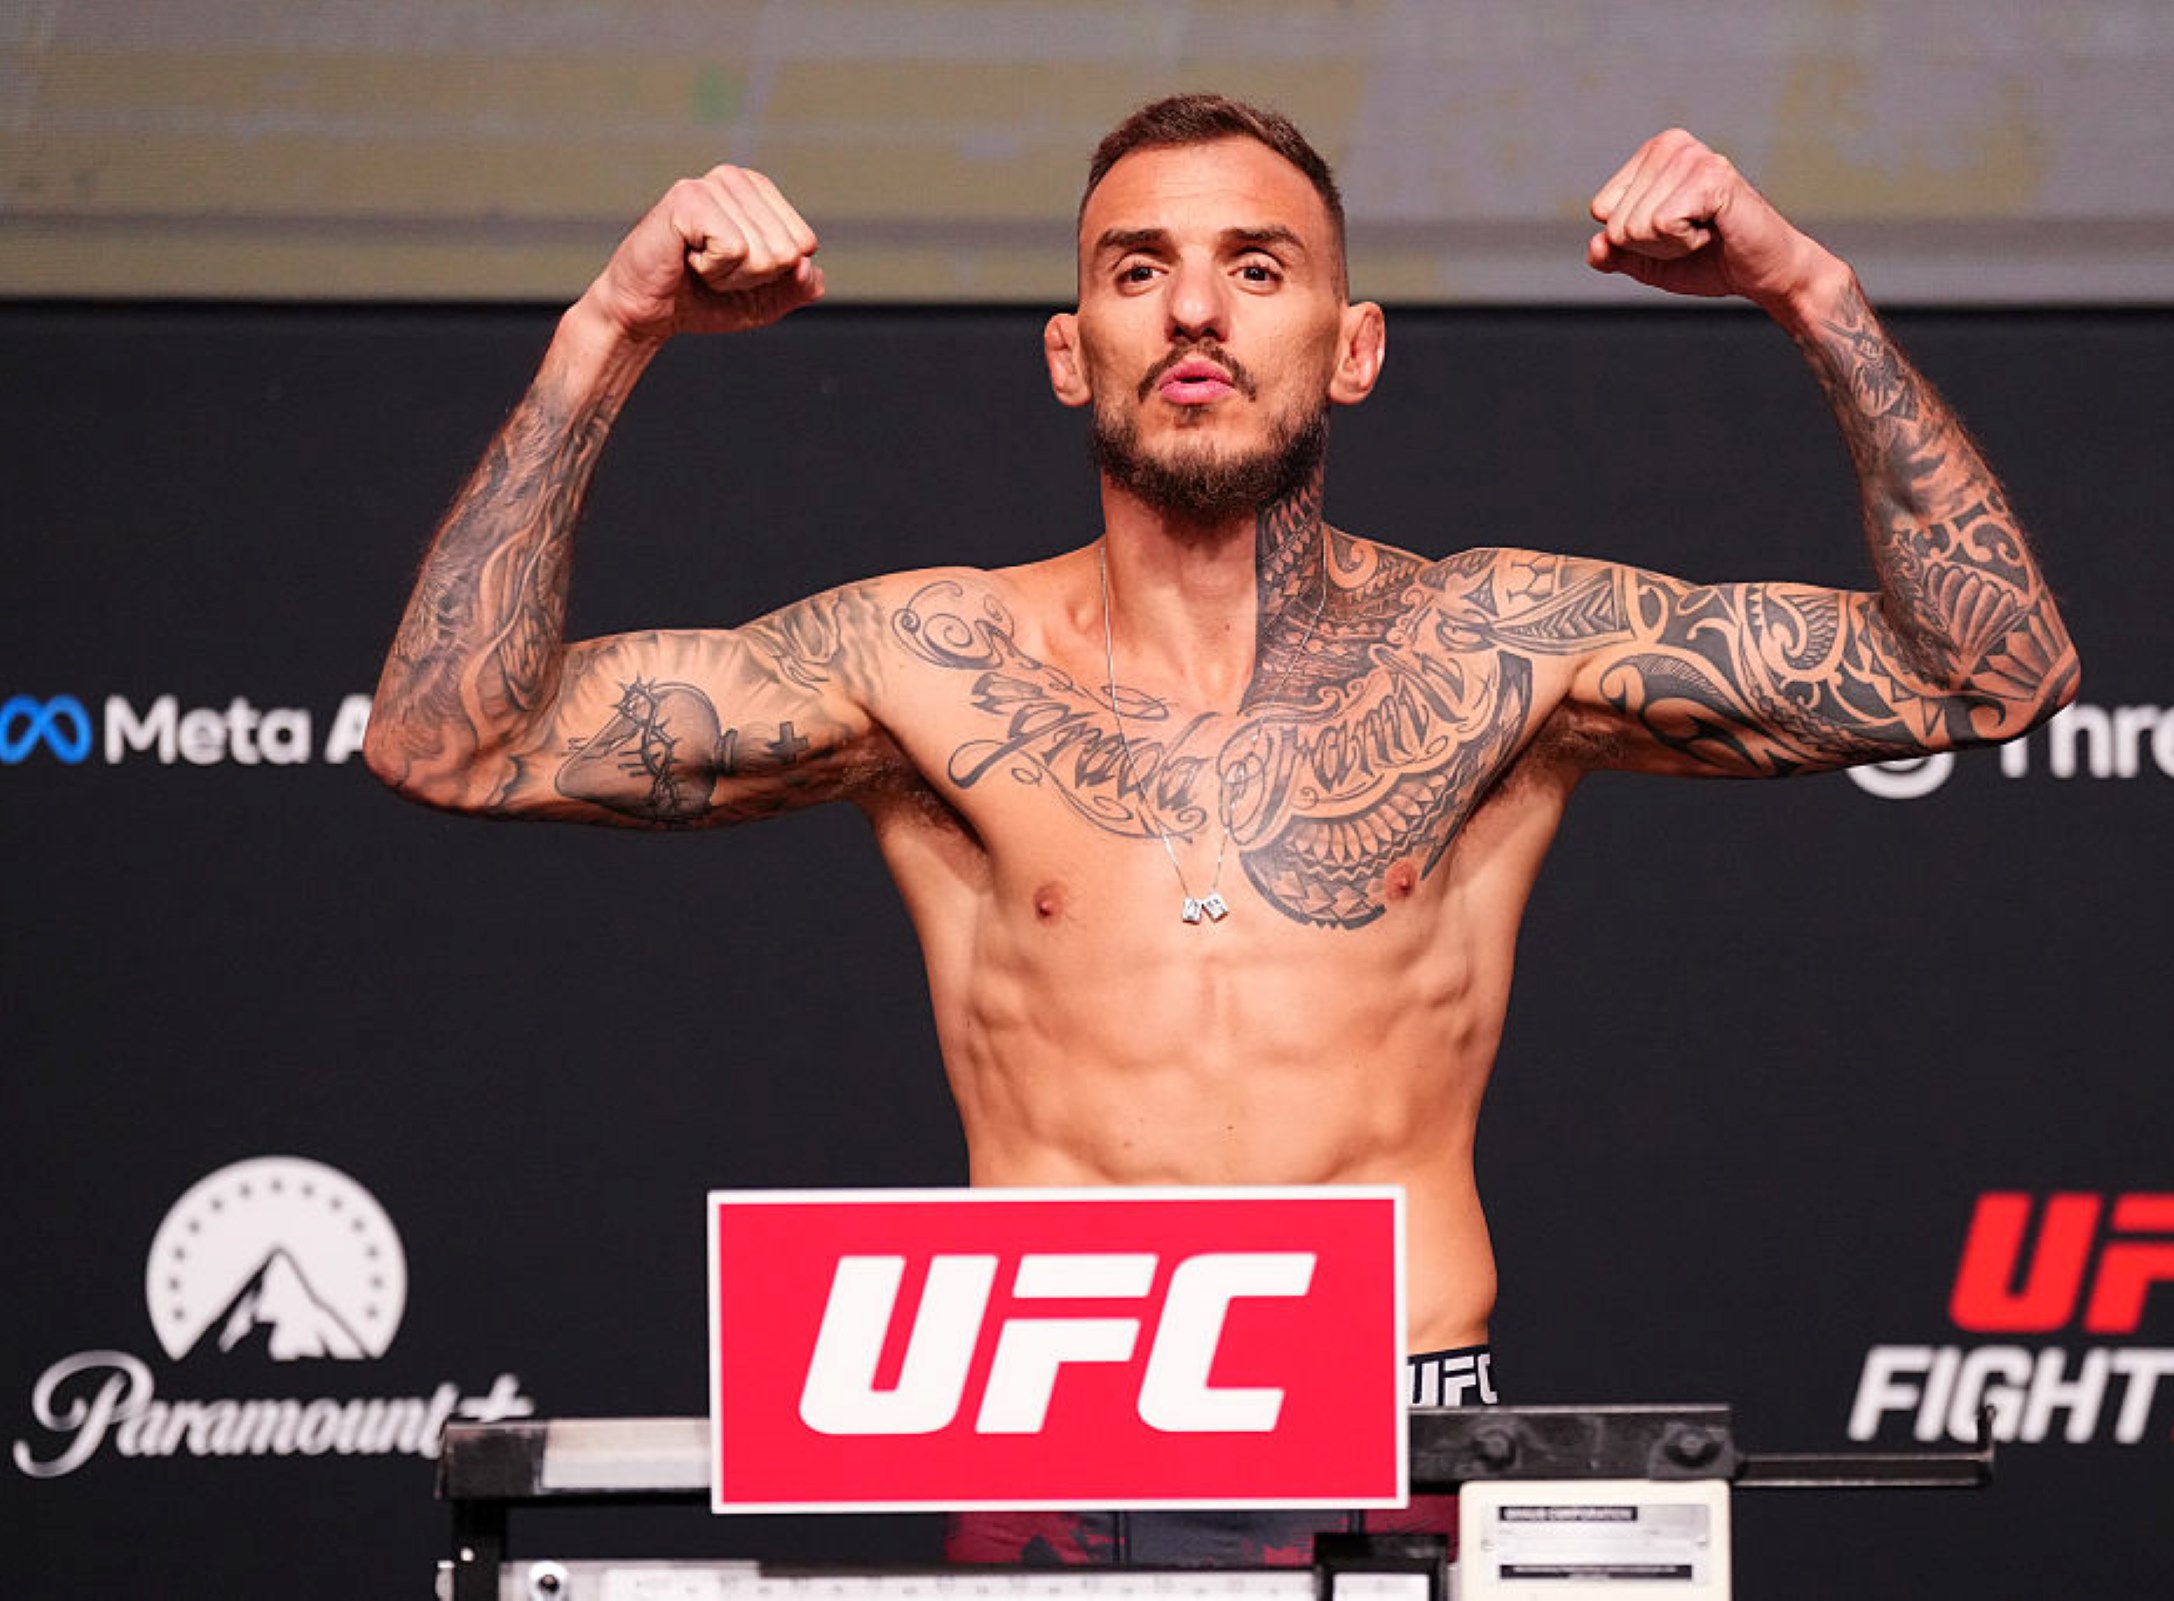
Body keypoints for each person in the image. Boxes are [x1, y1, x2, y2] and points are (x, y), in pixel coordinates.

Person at [366, 93, 2078, 1562]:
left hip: (1401, 1426)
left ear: (1354, 344)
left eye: (1258, 268)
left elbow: (1990, 672)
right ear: (1070, 354)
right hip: (1046, 1432)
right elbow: (454, 741)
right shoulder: (929, 661)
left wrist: (1805, 288)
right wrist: (609, 331)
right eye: (1137, 271)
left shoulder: (1502, 648)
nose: (1195, 308)